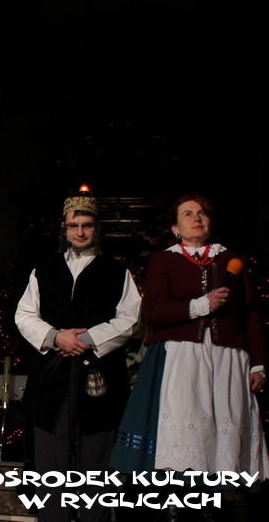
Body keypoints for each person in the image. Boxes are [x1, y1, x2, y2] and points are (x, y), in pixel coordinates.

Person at [109, 193, 269, 522]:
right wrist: (200, 305)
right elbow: (153, 312)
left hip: (226, 359)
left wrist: (258, 363)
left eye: (202, 213)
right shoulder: (163, 260)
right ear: (175, 227)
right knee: (183, 436)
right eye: (188, 214)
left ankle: (211, 509)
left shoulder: (232, 259)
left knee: (220, 437)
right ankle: (176, 508)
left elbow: (250, 315)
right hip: (181, 359)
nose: (197, 218)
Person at [14, 193, 141, 522]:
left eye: (87, 225)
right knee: (50, 468)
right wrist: (57, 337)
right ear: (64, 228)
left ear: (97, 228)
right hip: (52, 380)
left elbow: (130, 320)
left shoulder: (117, 272)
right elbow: (24, 315)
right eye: (74, 226)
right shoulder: (43, 272)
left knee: (96, 466)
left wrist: (84, 339)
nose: (80, 231)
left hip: (100, 380)